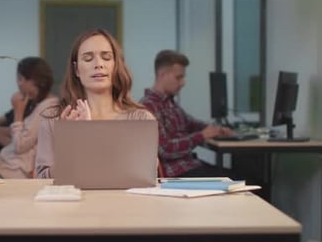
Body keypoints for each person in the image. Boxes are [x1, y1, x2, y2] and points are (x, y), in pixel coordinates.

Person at [35, 29, 156, 179]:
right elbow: (42, 180)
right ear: (76, 70)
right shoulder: (53, 121)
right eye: (88, 59)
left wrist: (90, 138)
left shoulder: (141, 119)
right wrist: (71, 141)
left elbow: (147, 173)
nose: (98, 64)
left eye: (106, 57)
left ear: (116, 65)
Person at [139, 49, 233, 178]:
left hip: (189, 165)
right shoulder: (149, 106)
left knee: (242, 177)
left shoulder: (169, 102)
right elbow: (165, 149)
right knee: (243, 181)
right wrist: (202, 136)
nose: (183, 83)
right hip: (177, 173)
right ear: (162, 74)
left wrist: (215, 130)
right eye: (179, 77)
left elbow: (191, 123)